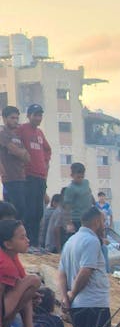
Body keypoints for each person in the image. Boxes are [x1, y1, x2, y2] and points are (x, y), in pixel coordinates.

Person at [58, 207, 112, 327]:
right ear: (96, 222)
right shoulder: (91, 241)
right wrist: (72, 294)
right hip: (94, 304)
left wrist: (66, 299)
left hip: (78, 306)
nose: (104, 225)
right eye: (103, 221)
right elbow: (86, 270)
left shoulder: (70, 241)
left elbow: (61, 274)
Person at [0, 216, 44, 327]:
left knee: (29, 284)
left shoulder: (12, 257)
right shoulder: (4, 264)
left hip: (5, 308)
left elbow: (20, 284)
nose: (27, 240)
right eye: (22, 237)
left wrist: (31, 293)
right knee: (33, 280)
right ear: (8, 244)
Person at [18, 104, 52, 246]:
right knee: (29, 211)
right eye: (35, 115)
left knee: (39, 212)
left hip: (40, 177)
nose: (38, 118)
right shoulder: (22, 130)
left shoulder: (40, 133)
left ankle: (35, 244)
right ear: (29, 115)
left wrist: (45, 164)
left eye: (40, 115)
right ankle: (28, 243)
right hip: (28, 176)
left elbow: (48, 150)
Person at [0, 106, 29, 223]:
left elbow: (27, 157)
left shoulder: (16, 136)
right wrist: (20, 152)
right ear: (4, 118)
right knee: (14, 210)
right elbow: (13, 150)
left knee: (21, 210)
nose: (15, 121)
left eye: (17, 118)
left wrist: (20, 153)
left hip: (21, 177)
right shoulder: (2, 133)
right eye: (12, 118)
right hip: (10, 178)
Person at [61, 162, 95, 232]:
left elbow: (89, 193)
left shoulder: (86, 182)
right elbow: (67, 207)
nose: (80, 179)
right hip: (77, 219)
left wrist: (94, 203)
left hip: (88, 217)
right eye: (78, 177)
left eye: (82, 177)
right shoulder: (70, 189)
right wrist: (69, 223)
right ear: (72, 175)